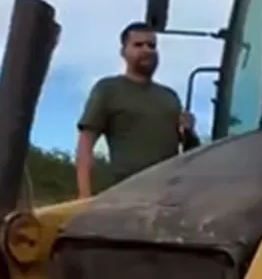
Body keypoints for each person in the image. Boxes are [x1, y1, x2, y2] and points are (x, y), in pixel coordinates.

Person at [76, 22, 199, 198]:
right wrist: (84, 197)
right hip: (126, 196)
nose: (147, 50)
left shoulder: (170, 97)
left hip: (168, 197)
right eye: (138, 45)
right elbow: (85, 147)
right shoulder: (108, 89)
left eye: (152, 45)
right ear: (123, 52)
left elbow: (188, 152)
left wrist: (190, 130)